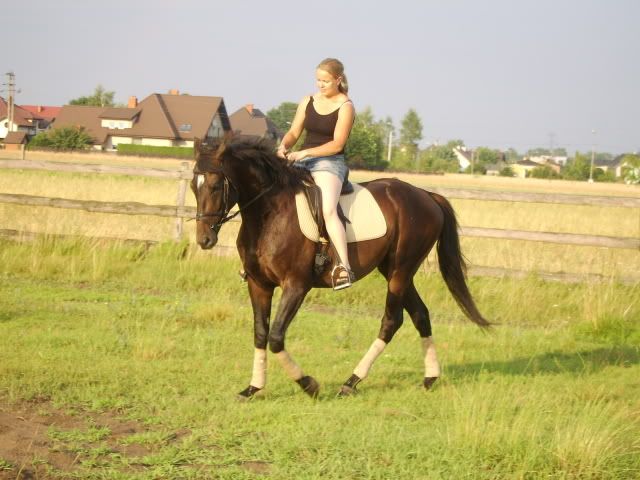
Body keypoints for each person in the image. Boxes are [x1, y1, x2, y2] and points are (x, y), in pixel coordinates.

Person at [277, 58, 356, 290]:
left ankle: (344, 267)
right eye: (318, 80)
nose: (320, 85)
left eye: (325, 81)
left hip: (330, 162)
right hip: (302, 159)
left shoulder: (346, 106)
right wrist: (284, 146)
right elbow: (294, 132)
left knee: (328, 209)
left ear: (338, 80)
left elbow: (337, 144)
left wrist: (305, 153)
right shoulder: (308, 101)